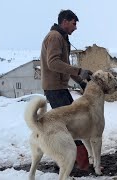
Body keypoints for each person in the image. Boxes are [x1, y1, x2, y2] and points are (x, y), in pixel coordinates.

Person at [40, 9, 93, 171]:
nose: (75, 27)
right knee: (70, 126)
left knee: (71, 125)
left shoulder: (62, 38)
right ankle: (74, 164)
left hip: (59, 88)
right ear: (64, 21)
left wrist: (81, 83)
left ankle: (75, 163)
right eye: (73, 23)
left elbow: (64, 68)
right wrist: (78, 71)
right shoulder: (55, 37)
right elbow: (53, 63)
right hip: (55, 89)